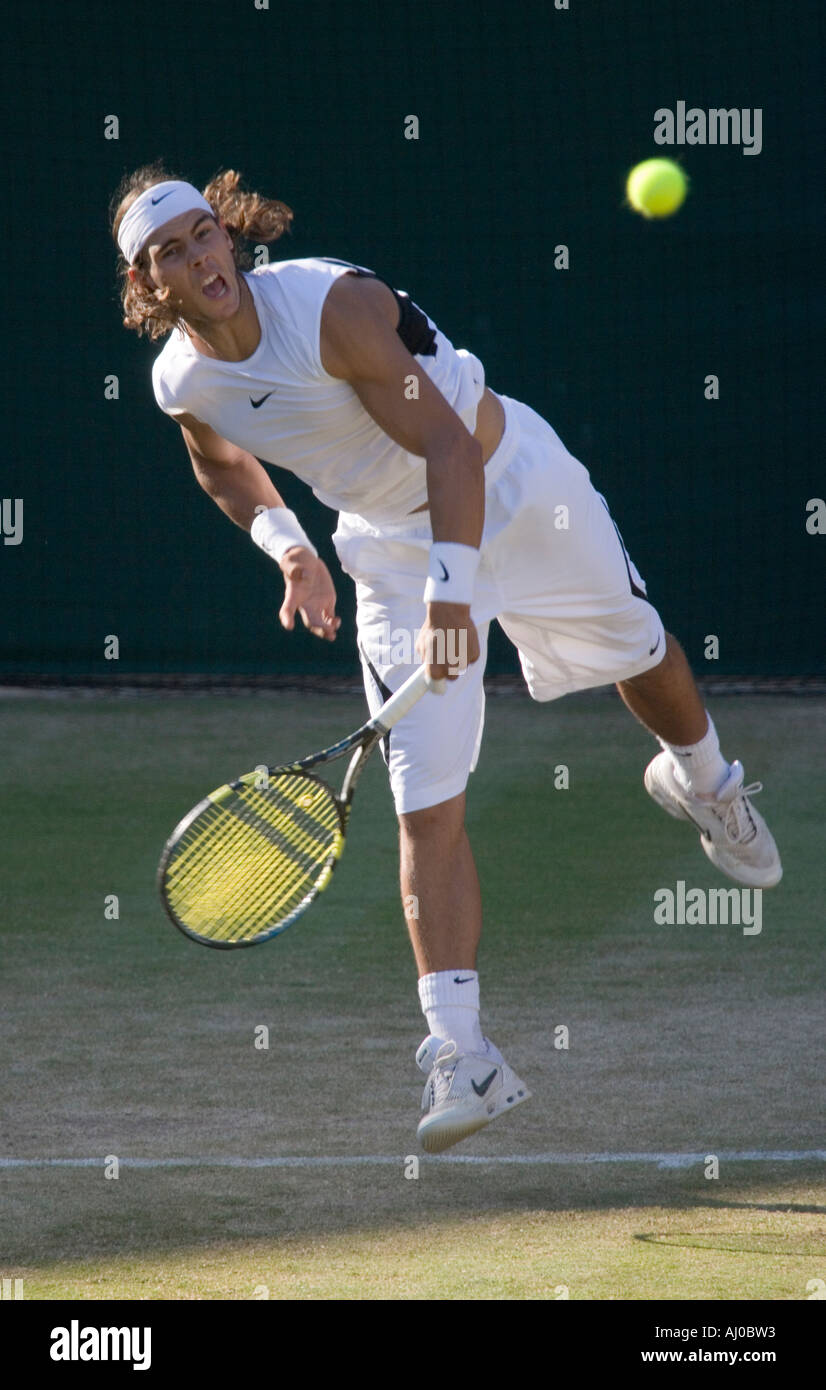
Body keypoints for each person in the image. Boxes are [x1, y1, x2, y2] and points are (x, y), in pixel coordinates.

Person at [111, 165, 782, 1153]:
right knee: (423, 797)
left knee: (641, 650)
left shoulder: (330, 309)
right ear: (148, 286)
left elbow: (449, 447)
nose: (199, 255)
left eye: (206, 232)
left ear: (230, 237)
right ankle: (459, 1052)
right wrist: (290, 547)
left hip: (508, 478)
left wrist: (456, 587)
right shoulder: (184, 379)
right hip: (384, 545)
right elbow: (218, 458)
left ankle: (704, 781)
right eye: (170, 251)